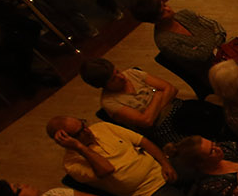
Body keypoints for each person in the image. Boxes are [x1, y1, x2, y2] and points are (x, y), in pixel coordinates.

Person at [47, 114, 195, 196]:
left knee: (204, 167)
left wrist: (165, 163)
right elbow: (106, 169)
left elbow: (143, 142)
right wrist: (81, 148)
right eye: (79, 133)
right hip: (147, 191)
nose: (87, 130)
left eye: (83, 124)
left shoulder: (102, 127)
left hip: (160, 167)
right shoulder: (71, 164)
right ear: (67, 141)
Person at [78, 57, 221, 143]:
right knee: (202, 123)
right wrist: (157, 96)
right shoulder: (110, 102)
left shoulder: (131, 74)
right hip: (164, 127)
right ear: (104, 85)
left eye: (117, 71)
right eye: (113, 79)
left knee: (211, 111)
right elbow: (146, 122)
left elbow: (171, 89)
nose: (121, 77)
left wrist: (153, 108)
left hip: (179, 106)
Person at [131, 0, 227, 87]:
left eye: (164, 5)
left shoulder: (185, 14)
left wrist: (210, 45)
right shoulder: (165, 42)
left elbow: (217, 27)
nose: (168, 9)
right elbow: (202, 55)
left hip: (224, 54)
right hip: (212, 72)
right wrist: (210, 34)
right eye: (162, 12)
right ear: (155, 21)